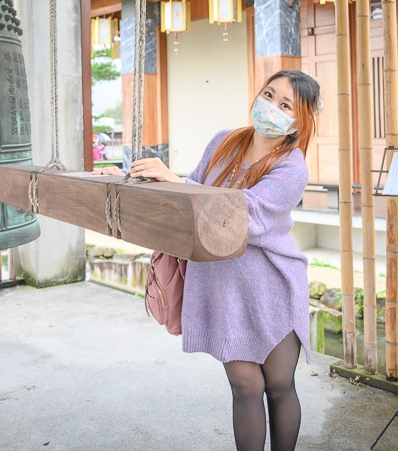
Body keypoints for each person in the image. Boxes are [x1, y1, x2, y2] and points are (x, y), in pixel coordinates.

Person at [98, 69, 321, 451]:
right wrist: (128, 178)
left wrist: (181, 182)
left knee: (280, 386)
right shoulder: (225, 140)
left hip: (272, 286)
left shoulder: (292, 166)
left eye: (285, 105)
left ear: (299, 121)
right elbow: (190, 194)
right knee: (245, 385)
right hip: (221, 285)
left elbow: (246, 215)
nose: (271, 107)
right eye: (268, 95)